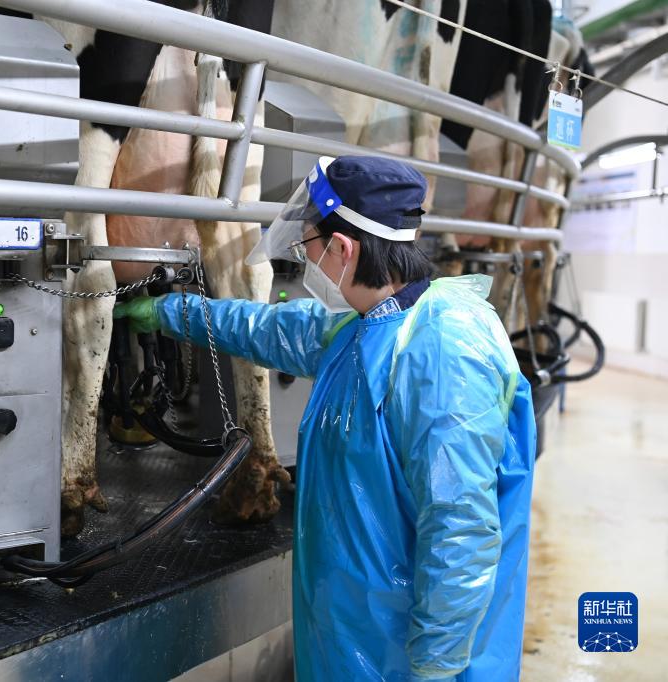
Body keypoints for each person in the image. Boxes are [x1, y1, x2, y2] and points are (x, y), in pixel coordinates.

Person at [114, 156, 536, 681]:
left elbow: (461, 531)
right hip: (348, 635)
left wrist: (436, 665)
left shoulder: (442, 351)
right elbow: (271, 330)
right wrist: (167, 313)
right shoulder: (367, 324)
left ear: (342, 249)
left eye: (307, 245)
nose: (305, 257)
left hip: (407, 658)